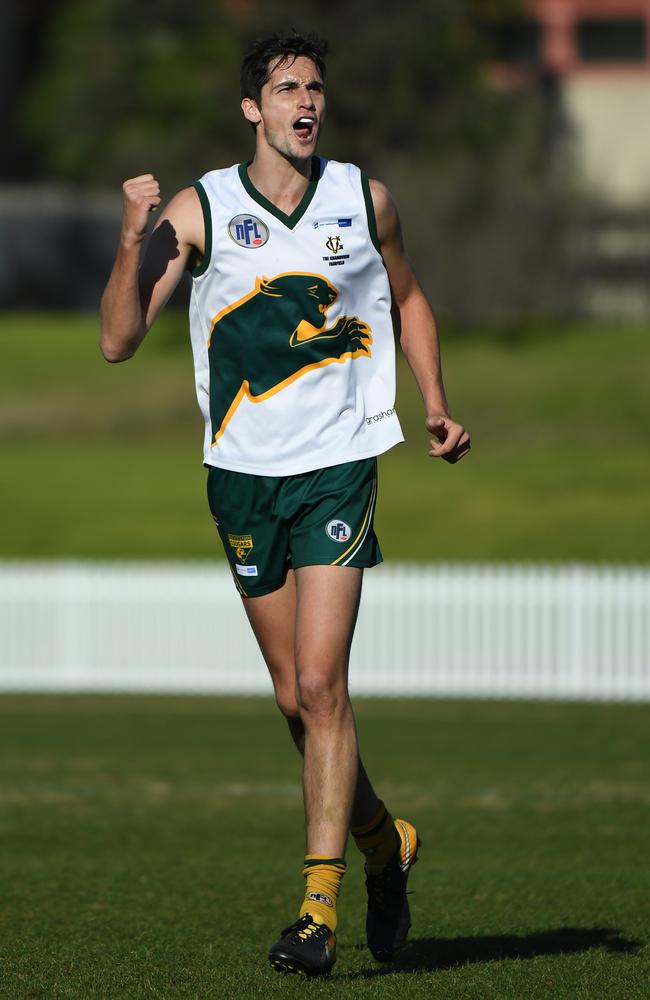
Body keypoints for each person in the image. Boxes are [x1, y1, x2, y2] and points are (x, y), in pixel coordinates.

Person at [100, 31, 470, 978]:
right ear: (252, 109)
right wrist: (133, 233)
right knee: (291, 697)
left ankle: (318, 907)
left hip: (342, 463)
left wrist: (431, 400)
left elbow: (409, 295)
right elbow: (118, 340)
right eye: (286, 88)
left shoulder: (364, 197)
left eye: (315, 86)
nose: (306, 101)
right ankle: (386, 842)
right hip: (241, 474)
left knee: (321, 684)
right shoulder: (205, 207)